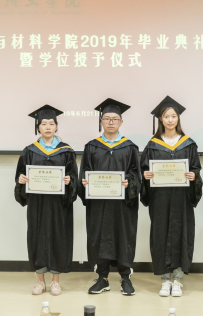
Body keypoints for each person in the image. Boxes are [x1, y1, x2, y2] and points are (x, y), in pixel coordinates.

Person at [139, 96, 203, 297]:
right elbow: (144, 171)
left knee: (182, 233)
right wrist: (145, 176)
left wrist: (193, 176)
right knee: (161, 234)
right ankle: (165, 279)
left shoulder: (188, 144)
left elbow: (196, 170)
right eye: (166, 116)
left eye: (173, 116)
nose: (170, 120)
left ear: (178, 118)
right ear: (160, 119)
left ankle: (178, 280)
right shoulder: (152, 145)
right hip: (160, 199)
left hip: (182, 198)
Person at [78, 98, 141, 296]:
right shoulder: (92, 147)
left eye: (115, 119)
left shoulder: (130, 147)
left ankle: (125, 278)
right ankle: (102, 278)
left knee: (124, 236)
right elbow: (84, 172)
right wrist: (85, 183)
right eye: (107, 118)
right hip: (99, 203)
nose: (111, 122)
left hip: (123, 205)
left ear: (121, 122)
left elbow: (136, 174)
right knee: (99, 236)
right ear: (101, 122)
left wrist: (129, 183)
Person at [14, 105, 78, 296]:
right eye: (43, 123)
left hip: (59, 205)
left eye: (51, 123)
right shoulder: (29, 151)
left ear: (56, 126)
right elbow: (20, 176)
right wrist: (21, 181)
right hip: (38, 204)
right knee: (38, 237)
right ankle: (40, 281)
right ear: (38, 127)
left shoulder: (66, 151)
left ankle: (56, 281)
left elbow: (74, 177)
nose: (48, 127)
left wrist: (69, 181)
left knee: (59, 237)